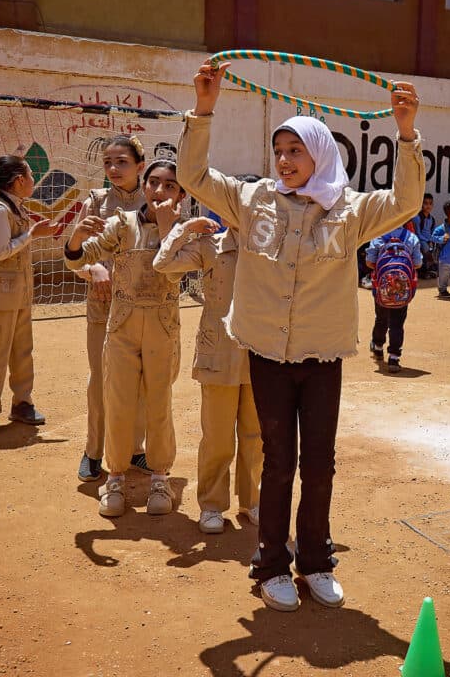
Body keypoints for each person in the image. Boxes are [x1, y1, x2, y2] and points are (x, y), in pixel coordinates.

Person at [179, 60, 423, 612]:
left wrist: (406, 133)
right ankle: (271, 565)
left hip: (321, 356)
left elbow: (405, 202)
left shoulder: (351, 210)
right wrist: (204, 109)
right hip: (267, 355)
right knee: (278, 461)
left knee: (319, 463)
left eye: (296, 151)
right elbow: (195, 178)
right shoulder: (251, 200)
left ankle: (315, 561)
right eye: (279, 151)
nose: (285, 161)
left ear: (321, 154)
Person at [64, 159, 187, 517]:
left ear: (182, 194)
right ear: (144, 187)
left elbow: (177, 272)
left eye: (170, 185)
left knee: (159, 402)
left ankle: (160, 478)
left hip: (163, 327)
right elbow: (80, 259)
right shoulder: (121, 224)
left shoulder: (185, 231)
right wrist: (76, 238)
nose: (160, 191)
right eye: (154, 183)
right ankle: (115, 478)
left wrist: (167, 229)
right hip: (122, 326)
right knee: (117, 401)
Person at [153, 202, 263, 534]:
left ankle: (253, 501)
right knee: (217, 436)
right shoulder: (209, 246)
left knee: (256, 435)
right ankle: (212, 505)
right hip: (219, 353)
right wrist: (185, 229)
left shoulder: (269, 248)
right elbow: (163, 264)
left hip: (261, 352)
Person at [69, 135, 151, 483]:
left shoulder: (154, 200)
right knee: (101, 378)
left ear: (140, 166)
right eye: (108, 163)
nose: (114, 169)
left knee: (142, 379)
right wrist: (93, 269)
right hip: (103, 304)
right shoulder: (96, 202)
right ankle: (93, 451)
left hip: (145, 306)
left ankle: (134, 448)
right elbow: (75, 255)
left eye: (122, 162)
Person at [0, 155, 56, 436]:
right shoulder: (0, 210)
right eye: (31, 175)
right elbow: (1, 251)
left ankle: (22, 402)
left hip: (18, 293)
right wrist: (32, 234)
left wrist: (34, 233)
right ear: (19, 181)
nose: (33, 180)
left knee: (22, 351)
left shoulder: (15, 206)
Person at [366, 223, 423, 373]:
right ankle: (394, 357)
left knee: (381, 318)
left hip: (382, 288)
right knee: (397, 323)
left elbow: (369, 262)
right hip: (402, 290)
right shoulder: (411, 238)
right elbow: (417, 264)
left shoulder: (378, 236)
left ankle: (378, 346)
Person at [413, 193, 438, 279]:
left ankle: (433, 267)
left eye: (430, 203)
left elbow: (433, 233)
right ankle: (425, 270)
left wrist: (433, 240)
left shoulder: (432, 219)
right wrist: (427, 241)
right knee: (424, 246)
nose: (428, 206)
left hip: (429, 240)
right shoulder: (417, 218)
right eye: (425, 203)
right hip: (419, 240)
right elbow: (417, 234)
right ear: (421, 204)